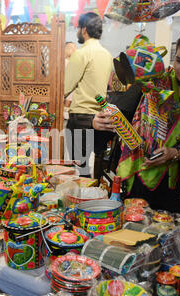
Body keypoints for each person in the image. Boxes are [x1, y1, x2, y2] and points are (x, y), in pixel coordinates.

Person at [94, 29, 180, 213]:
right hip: (133, 178)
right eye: (179, 60)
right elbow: (119, 117)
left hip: (168, 188)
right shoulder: (151, 82)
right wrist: (98, 123)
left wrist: (174, 153)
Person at [64, 12, 114, 178]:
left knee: (80, 172)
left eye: (78, 28)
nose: (78, 31)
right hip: (100, 117)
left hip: (80, 118)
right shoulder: (107, 55)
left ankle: (81, 202)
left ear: (84, 30)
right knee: (96, 171)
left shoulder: (81, 53)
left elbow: (65, 87)